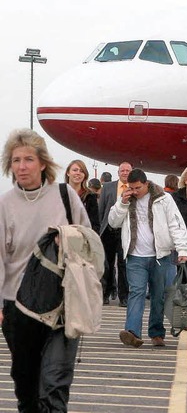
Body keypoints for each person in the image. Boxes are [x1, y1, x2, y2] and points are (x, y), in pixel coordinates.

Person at [0, 129, 91, 412]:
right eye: (16, 160)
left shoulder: (65, 197)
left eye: (28, 159)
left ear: (43, 163)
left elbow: (89, 244)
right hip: (19, 307)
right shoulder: (5, 204)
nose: (22, 166)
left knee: (54, 383)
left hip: (62, 304)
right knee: (26, 386)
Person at [109, 168, 187, 348]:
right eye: (132, 188)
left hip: (160, 256)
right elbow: (113, 222)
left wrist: (182, 249)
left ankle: (157, 333)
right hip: (135, 256)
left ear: (146, 184)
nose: (135, 191)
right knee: (136, 292)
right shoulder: (126, 199)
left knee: (158, 296)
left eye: (138, 188)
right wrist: (122, 203)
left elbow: (176, 225)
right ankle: (132, 332)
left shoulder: (164, 199)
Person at [98, 161, 132, 307]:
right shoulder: (107, 187)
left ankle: (124, 296)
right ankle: (105, 293)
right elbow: (102, 209)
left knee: (123, 264)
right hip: (109, 230)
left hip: (125, 230)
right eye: (122, 170)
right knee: (107, 264)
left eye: (128, 171)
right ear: (118, 172)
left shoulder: (134, 188)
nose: (125, 173)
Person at [65, 159, 100, 232]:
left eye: (81, 171)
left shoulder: (90, 196)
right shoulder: (60, 194)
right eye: (75, 170)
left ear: (85, 175)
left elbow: (95, 224)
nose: (78, 173)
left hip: (83, 238)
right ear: (68, 173)